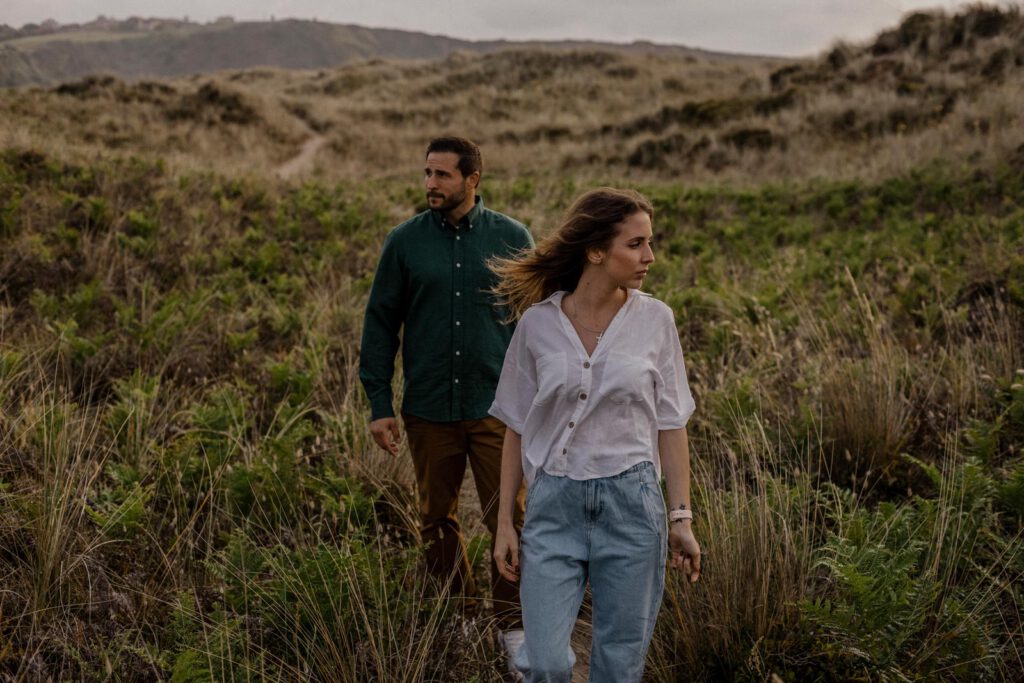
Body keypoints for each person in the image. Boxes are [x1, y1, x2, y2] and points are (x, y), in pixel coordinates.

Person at [488, 187, 702, 682]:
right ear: (595, 250)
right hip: (553, 506)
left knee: (619, 663)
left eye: (650, 242)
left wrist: (681, 517)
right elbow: (516, 428)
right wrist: (505, 522)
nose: (650, 256)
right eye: (636, 244)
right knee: (543, 663)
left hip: (632, 505)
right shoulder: (537, 325)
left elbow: (672, 424)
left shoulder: (656, 321)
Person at [358, 136, 534, 659]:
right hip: (429, 407)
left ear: (473, 180)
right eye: (427, 174)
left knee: (512, 514)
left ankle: (512, 626)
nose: (430, 185)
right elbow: (380, 323)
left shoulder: (512, 237)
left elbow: (535, 322)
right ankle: (458, 615)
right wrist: (379, 404)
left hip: (495, 408)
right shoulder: (404, 242)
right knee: (436, 516)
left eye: (442, 175)